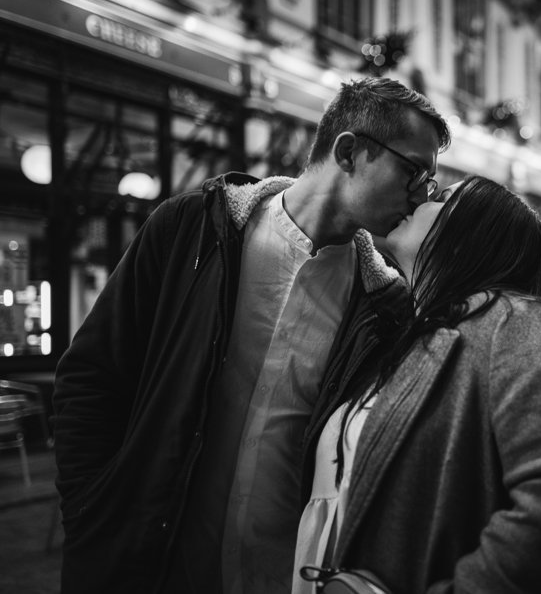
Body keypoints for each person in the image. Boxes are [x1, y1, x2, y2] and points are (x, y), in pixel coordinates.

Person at [51, 77, 450, 594]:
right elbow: (90, 375)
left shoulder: (384, 304)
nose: (421, 197)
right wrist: (90, 507)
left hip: (282, 575)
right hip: (154, 567)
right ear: (349, 151)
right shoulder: (190, 233)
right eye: (413, 172)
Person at [292, 176, 541, 594]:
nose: (418, 196)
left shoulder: (514, 319)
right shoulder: (404, 333)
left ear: (465, 235)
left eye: (439, 197)